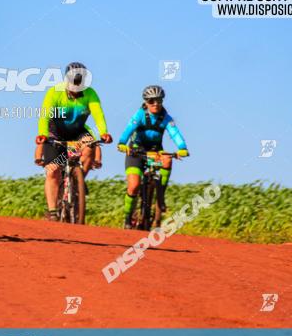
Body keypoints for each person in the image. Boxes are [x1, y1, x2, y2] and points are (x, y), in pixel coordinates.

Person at [34, 62, 112, 223]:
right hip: (55, 131)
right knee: (53, 171)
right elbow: (44, 115)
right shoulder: (55, 92)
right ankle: (53, 211)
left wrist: (103, 132)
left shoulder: (90, 93)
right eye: (73, 82)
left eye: (79, 82)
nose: (76, 86)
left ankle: (78, 180)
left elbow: (98, 114)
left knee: (90, 146)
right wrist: (42, 133)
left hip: (77, 131)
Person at [116, 85, 189, 229]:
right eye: (151, 101)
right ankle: (127, 217)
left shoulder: (166, 118)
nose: (155, 104)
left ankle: (160, 195)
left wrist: (182, 148)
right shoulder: (140, 115)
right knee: (134, 186)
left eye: (159, 100)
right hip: (136, 151)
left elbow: (175, 134)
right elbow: (128, 129)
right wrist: (122, 143)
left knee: (167, 159)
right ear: (145, 102)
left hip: (155, 152)